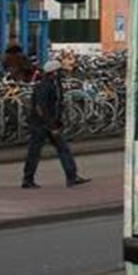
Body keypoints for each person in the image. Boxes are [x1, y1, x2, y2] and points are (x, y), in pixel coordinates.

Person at [23, 59, 89, 189]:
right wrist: (51, 126)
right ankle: (28, 179)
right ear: (53, 73)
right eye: (59, 72)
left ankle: (71, 176)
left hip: (48, 124)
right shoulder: (45, 86)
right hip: (42, 125)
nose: (61, 75)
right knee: (37, 152)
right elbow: (40, 108)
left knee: (59, 149)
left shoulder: (53, 85)